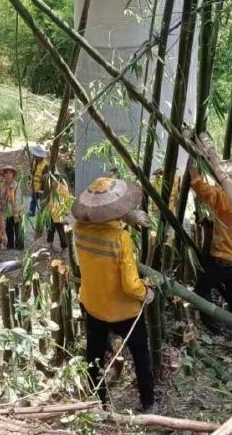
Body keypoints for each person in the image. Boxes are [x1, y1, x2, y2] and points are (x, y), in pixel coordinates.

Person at [73, 176, 156, 413]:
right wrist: (146, 292)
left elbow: (94, 222)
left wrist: (125, 217)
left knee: (94, 355)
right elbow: (130, 285)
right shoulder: (121, 238)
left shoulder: (79, 230)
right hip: (123, 310)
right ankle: (148, 402)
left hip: (94, 305)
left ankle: (97, 402)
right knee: (141, 355)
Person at [187, 157, 232, 332]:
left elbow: (205, 192)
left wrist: (194, 173)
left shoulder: (226, 197)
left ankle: (214, 326)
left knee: (201, 291)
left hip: (223, 258)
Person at [0, 165, 25, 250]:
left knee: (18, 229)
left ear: (13, 174)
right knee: (9, 228)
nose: (8, 174)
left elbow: (18, 199)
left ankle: (20, 246)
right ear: (4, 174)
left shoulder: (16, 185)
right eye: (6, 172)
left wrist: (16, 213)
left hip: (17, 210)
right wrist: (0, 208)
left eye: (10, 172)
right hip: (7, 211)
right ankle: (10, 245)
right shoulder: (2, 185)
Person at [44, 173, 72, 251]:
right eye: (51, 180)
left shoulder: (63, 188)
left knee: (61, 231)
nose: (52, 182)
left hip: (59, 214)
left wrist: (66, 212)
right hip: (50, 213)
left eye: (53, 180)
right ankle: (50, 243)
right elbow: (47, 200)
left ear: (57, 180)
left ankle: (64, 247)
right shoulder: (50, 189)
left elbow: (67, 200)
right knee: (50, 230)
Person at [28, 144, 49, 216]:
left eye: (36, 155)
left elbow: (45, 178)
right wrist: (30, 180)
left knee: (42, 202)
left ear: (40, 156)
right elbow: (32, 172)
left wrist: (42, 189)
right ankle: (31, 212)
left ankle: (43, 215)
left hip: (41, 188)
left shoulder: (45, 165)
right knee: (33, 200)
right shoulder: (35, 161)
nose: (35, 156)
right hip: (34, 186)